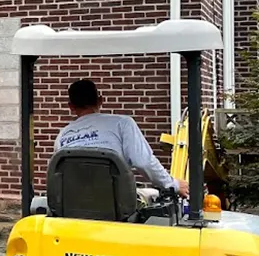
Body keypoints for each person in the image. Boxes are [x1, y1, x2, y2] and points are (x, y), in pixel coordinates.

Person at [55, 79, 190, 198]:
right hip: (116, 205)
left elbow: (58, 174)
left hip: (74, 204)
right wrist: (173, 185)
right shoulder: (122, 123)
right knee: (153, 195)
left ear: (71, 106)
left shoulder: (62, 136)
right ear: (100, 100)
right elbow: (143, 162)